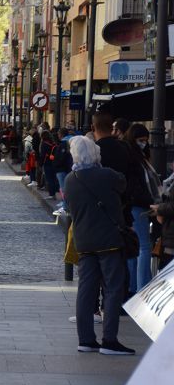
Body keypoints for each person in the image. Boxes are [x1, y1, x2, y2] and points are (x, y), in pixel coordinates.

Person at [64, 135, 135, 356]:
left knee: (86, 290)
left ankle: (85, 339)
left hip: (84, 241)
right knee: (113, 289)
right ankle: (109, 340)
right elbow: (123, 183)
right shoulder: (106, 175)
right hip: (109, 240)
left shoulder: (70, 179)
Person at [123, 123, 162, 291]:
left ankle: (133, 289)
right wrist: (150, 202)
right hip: (139, 207)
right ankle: (143, 289)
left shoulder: (137, 156)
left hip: (136, 206)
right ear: (133, 139)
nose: (144, 143)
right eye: (141, 140)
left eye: (146, 140)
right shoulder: (135, 158)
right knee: (144, 248)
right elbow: (136, 186)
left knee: (135, 250)